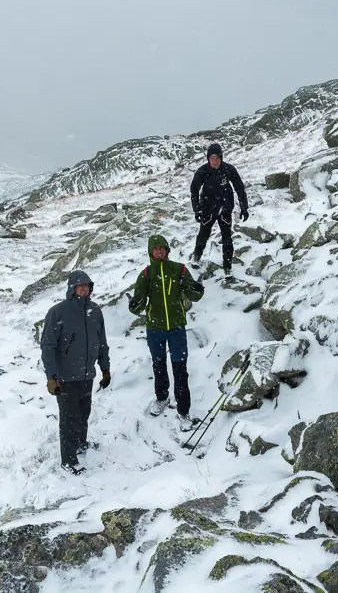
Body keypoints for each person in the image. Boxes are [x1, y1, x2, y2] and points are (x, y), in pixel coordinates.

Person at [128, 235, 205, 429]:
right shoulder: (145, 274)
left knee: (180, 369)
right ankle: (162, 397)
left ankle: (184, 410)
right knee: (159, 365)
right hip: (155, 329)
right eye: (156, 248)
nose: (160, 251)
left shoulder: (179, 269)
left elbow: (193, 294)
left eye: (163, 248)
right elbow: (139, 303)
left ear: (167, 250)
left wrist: (197, 289)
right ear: (150, 252)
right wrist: (134, 305)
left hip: (176, 328)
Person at [40, 269, 111, 474]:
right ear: (72, 288)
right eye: (80, 285)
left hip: (87, 374)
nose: (84, 288)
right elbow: (48, 346)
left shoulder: (95, 311)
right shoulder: (58, 312)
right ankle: (69, 460)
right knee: (68, 419)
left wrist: (105, 368)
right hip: (66, 377)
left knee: (83, 414)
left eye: (87, 285)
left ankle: (81, 444)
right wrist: (51, 377)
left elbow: (102, 343)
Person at [190, 142, 249, 276]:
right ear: (208, 159)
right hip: (207, 209)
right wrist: (197, 209)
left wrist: (244, 207)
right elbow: (194, 190)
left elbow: (239, 187)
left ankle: (227, 267)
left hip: (225, 209)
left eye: (217, 158)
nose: (215, 161)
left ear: (221, 158)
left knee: (227, 238)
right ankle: (196, 257)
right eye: (212, 158)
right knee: (203, 235)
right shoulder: (202, 171)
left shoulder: (229, 169)